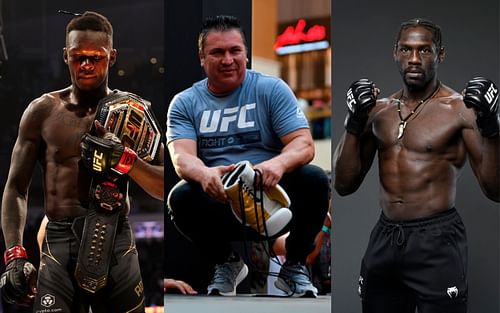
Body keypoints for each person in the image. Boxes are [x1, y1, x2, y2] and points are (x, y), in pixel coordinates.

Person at [1, 11, 164, 312]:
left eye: (96, 57)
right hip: (59, 241)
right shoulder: (41, 112)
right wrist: (15, 253)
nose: (86, 64)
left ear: (112, 57)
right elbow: (15, 189)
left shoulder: (132, 114)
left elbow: (163, 187)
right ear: (65, 56)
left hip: (116, 237)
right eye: (78, 57)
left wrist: (125, 159)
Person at [333, 17, 498, 313]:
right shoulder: (378, 110)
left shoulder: (461, 111)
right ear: (395, 52)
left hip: (437, 239)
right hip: (385, 237)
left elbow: (495, 189)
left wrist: (492, 127)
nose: (414, 59)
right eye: (406, 50)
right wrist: (353, 122)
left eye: (424, 50)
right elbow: (343, 185)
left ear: (440, 54)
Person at [166, 15, 329, 298]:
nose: (228, 59)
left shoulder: (270, 89)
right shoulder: (185, 102)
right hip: (222, 200)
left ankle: (294, 266)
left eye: (235, 51)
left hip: (272, 199)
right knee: (180, 197)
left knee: (315, 178)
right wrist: (206, 175)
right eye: (217, 52)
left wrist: (276, 164)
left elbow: (304, 144)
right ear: (202, 58)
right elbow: (182, 158)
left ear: (246, 54)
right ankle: (227, 263)